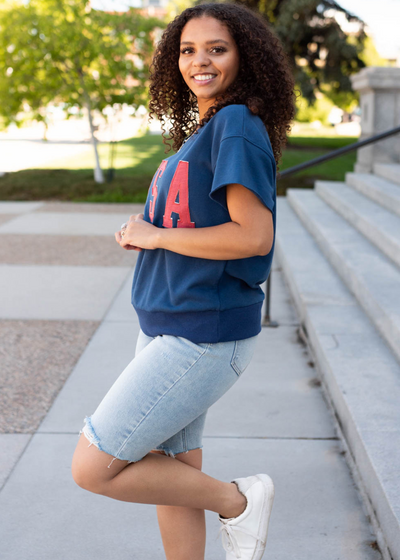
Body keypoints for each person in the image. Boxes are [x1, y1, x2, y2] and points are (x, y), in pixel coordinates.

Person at [71, 3, 296, 559]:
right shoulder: (210, 127)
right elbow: (187, 222)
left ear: (245, 57)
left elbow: (252, 237)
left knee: (93, 467)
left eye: (216, 49)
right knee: (169, 475)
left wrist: (156, 237)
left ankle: (238, 501)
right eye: (188, 50)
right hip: (171, 323)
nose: (200, 60)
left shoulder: (238, 126)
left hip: (201, 335)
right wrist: (144, 229)